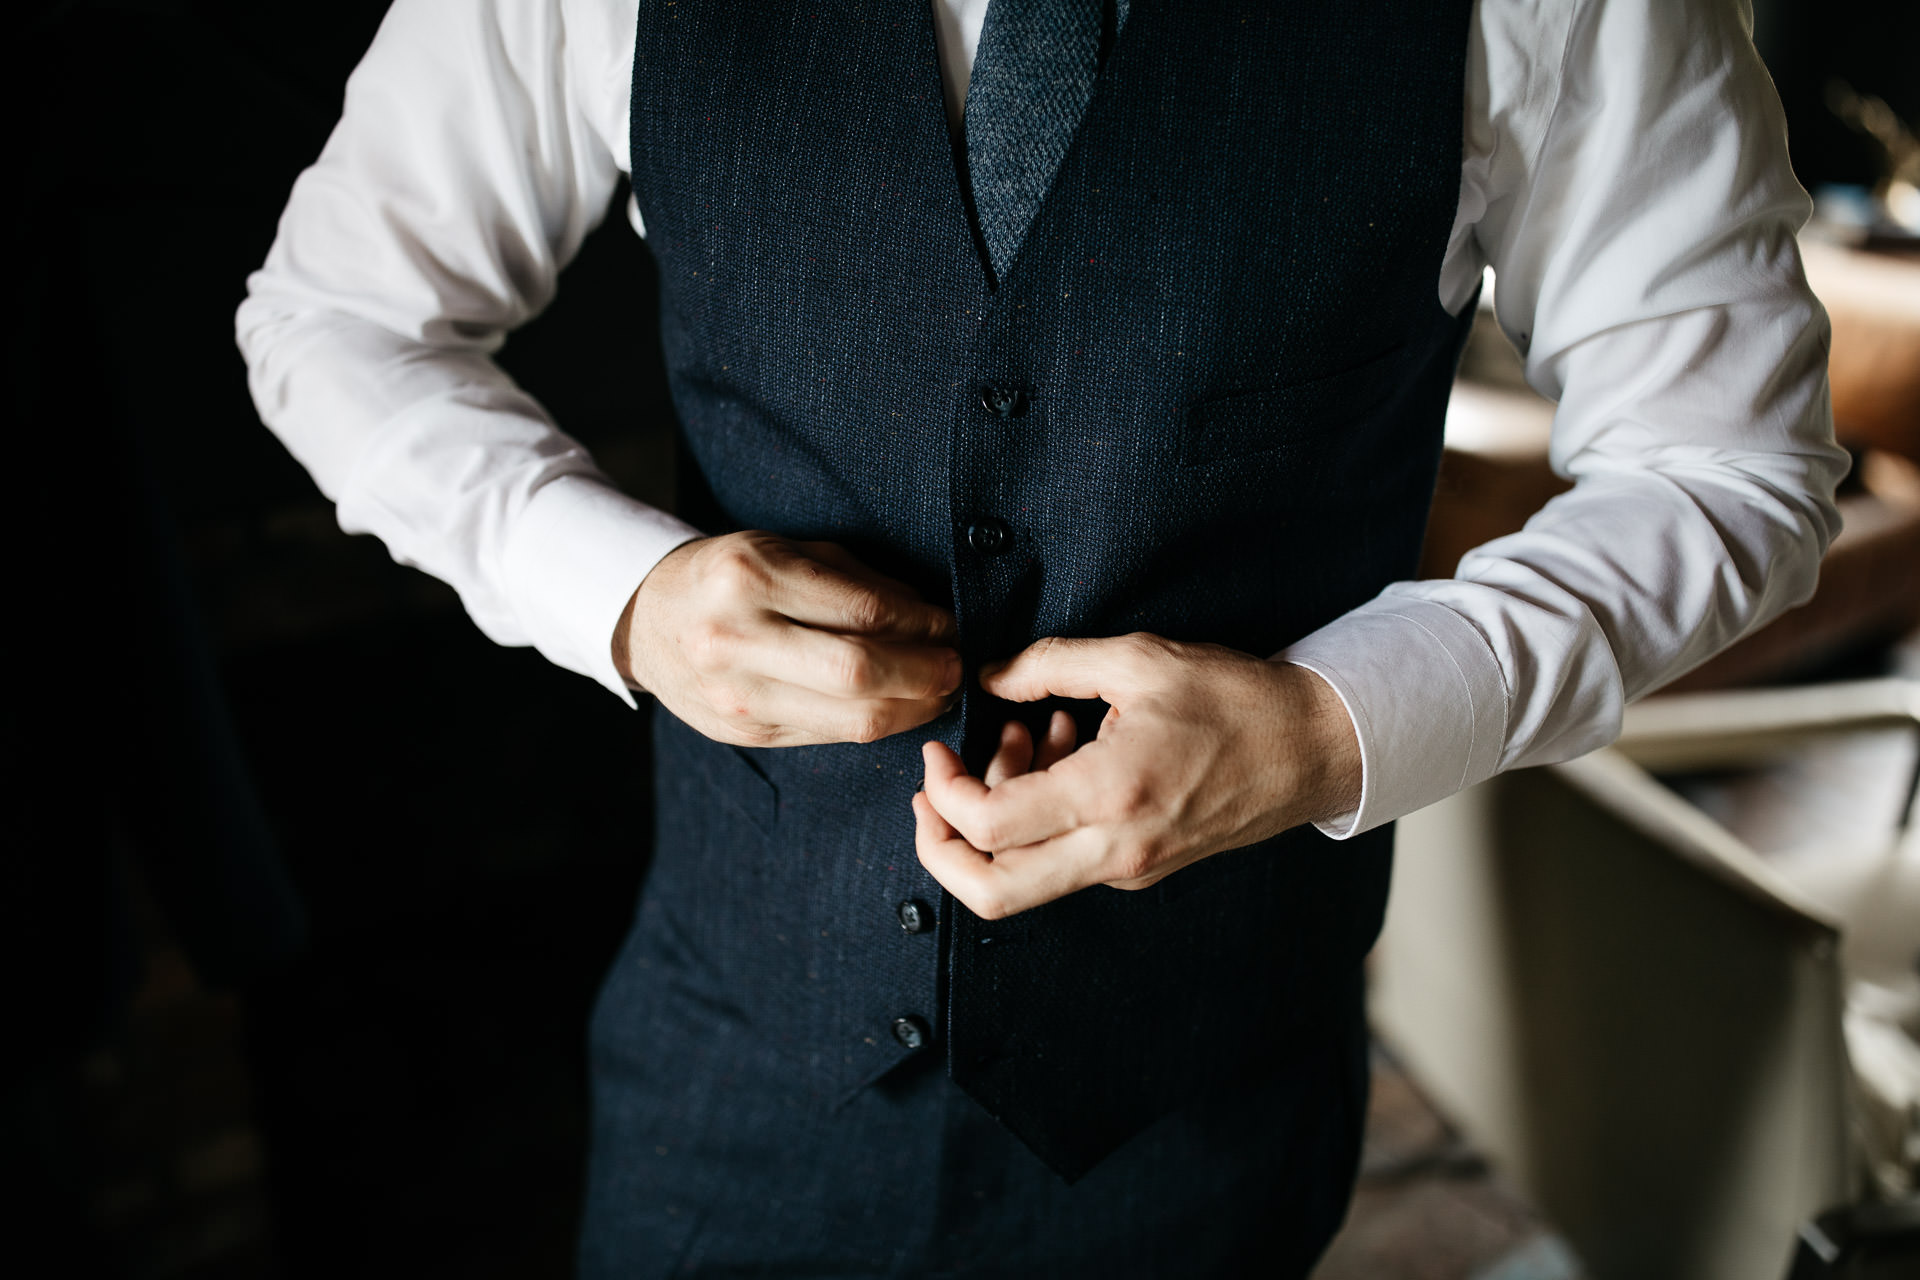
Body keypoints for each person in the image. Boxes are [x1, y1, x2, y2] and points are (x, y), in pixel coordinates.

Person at [236, 0, 1845, 1273]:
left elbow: (1737, 462)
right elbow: (334, 321)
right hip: (735, 1088)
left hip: (1207, 1117)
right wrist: (621, 596)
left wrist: (1331, 725)